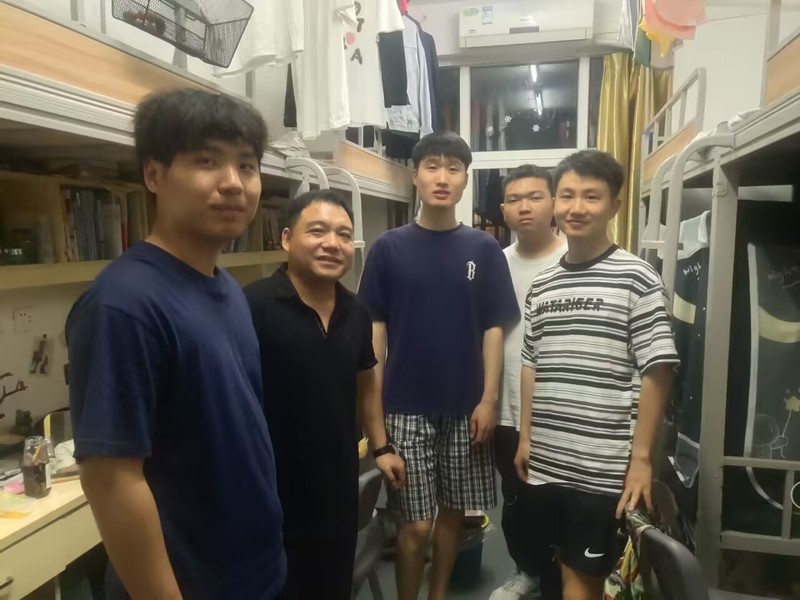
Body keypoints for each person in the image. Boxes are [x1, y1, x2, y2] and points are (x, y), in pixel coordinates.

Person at [66, 89, 286, 600]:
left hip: (255, 573)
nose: (233, 183)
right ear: (154, 174)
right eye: (207, 161)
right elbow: (110, 480)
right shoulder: (123, 305)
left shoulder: (226, 289)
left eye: (247, 165)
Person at [359, 132, 520, 600]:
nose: (442, 177)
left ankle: (439, 594)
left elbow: (494, 328)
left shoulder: (484, 248)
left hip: (466, 407)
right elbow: (374, 336)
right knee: (414, 526)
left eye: (453, 168)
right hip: (405, 406)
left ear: (466, 179)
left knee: (453, 515)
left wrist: (488, 399)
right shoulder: (388, 248)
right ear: (415, 176)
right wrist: (376, 419)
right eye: (432, 166)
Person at [514, 150, 678, 600]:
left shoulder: (637, 278)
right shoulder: (543, 284)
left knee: (581, 582)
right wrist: (526, 438)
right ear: (555, 203)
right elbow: (530, 363)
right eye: (567, 195)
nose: (577, 207)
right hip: (548, 461)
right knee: (557, 571)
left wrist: (641, 461)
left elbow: (658, 368)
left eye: (591, 196)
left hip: (603, 468)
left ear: (614, 206)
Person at [243, 189, 406, 600]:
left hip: (336, 483)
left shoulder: (357, 312)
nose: (332, 243)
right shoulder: (251, 306)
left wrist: (382, 447)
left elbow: (366, 381)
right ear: (286, 239)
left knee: (333, 583)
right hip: (268, 484)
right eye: (317, 231)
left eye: (343, 235)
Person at [490, 165, 566, 600]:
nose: (525, 207)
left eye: (535, 196)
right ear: (503, 209)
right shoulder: (495, 263)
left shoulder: (575, 256)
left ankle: (562, 579)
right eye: (515, 199)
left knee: (559, 500)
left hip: (560, 409)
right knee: (516, 498)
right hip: (506, 407)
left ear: (553, 202)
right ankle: (528, 572)